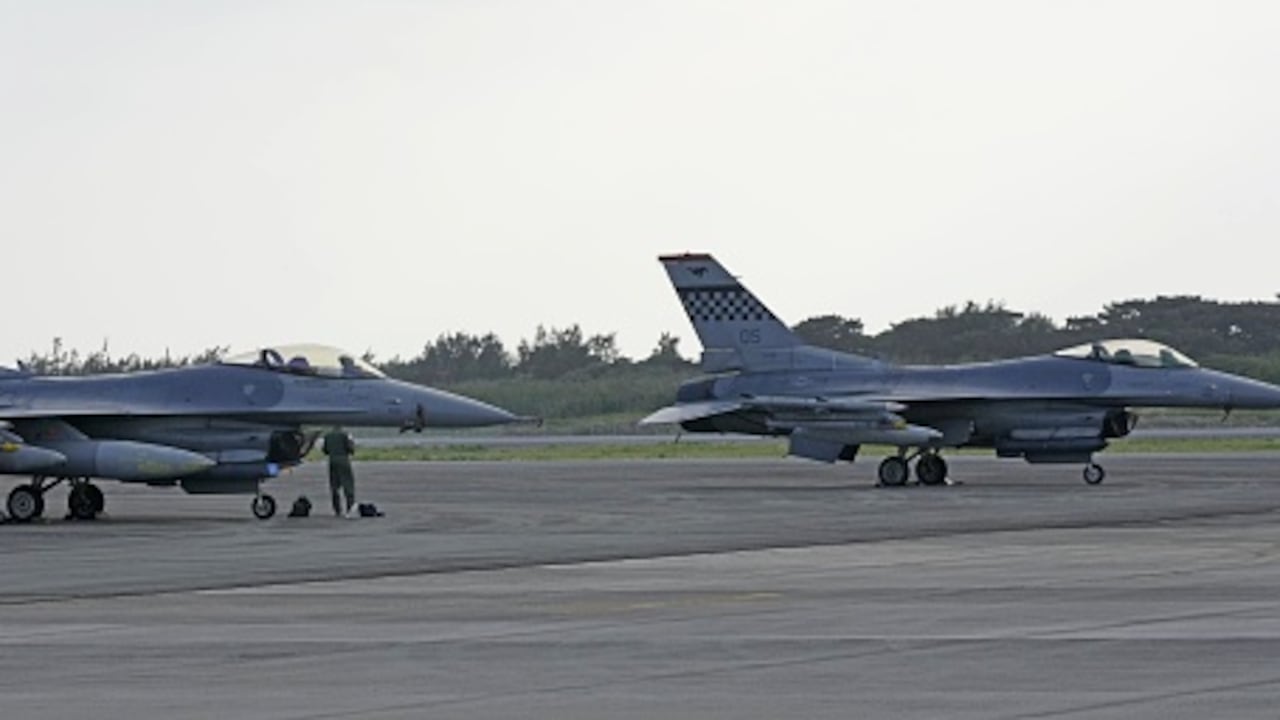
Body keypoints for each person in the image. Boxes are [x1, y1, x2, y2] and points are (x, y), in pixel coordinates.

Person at [321, 425, 356, 517]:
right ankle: (350, 508)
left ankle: (337, 510)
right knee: (348, 484)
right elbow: (351, 449)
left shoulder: (327, 436)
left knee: (334, 486)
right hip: (343, 459)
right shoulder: (345, 435)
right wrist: (351, 442)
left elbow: (325, 450)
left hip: (332, 461)